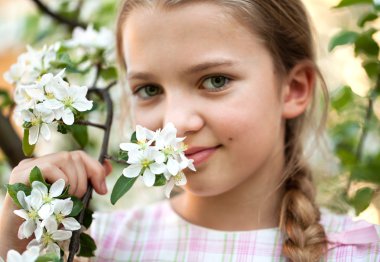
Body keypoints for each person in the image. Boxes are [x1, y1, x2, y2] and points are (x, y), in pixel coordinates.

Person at [1, 0, 379, 261]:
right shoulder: (99, 246)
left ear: (293, 89)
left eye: (215, 81)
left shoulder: (361, 252)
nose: (175, 122)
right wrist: (11, 236)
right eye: (149, 90)